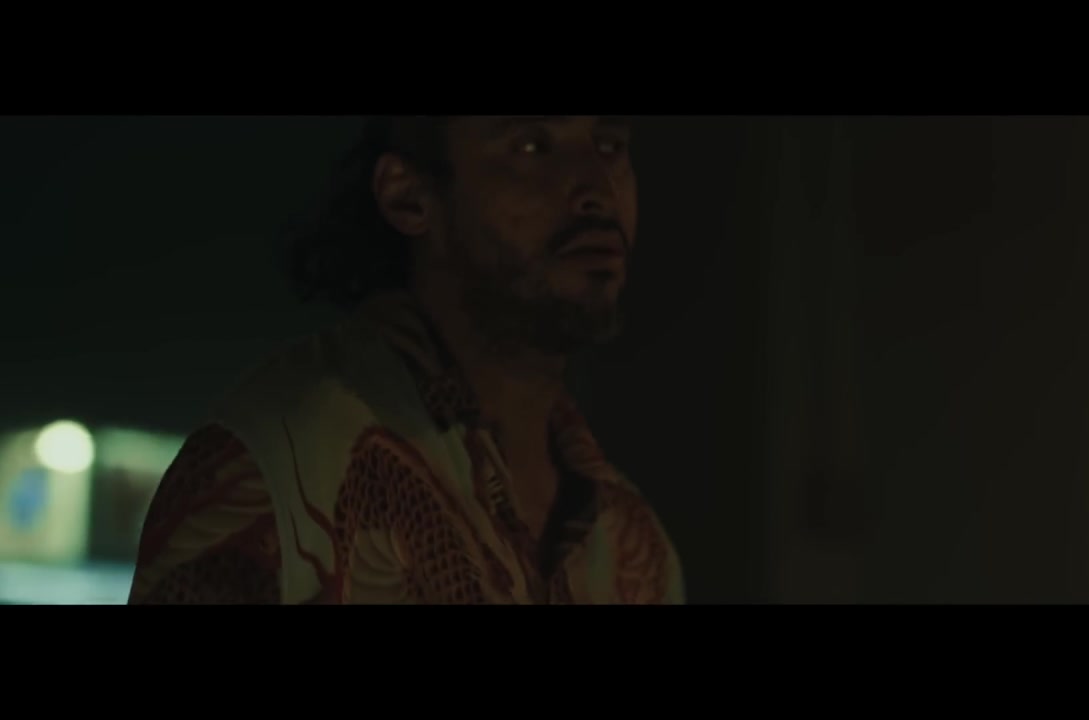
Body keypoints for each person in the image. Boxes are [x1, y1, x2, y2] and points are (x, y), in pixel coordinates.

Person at [127, 116, 685, 604]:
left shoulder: (633, 544)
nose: (597, 188)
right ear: (409, 197)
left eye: (609, 145)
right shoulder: (277, 467)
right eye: (532, 145)